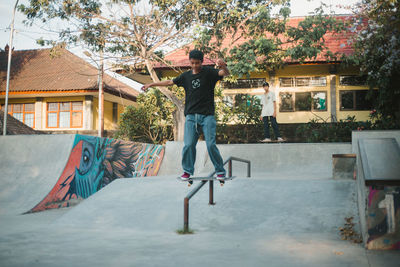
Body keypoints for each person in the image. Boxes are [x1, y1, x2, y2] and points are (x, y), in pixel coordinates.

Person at [141, 50, 230, 180]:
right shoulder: (186, 76)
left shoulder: (209, 73)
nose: (194, 66)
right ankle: (187, 171)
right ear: (190, 61)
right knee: (188, 145)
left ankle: (220, 170)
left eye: (197, 63)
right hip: (191, 117)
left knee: (210, 144)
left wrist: (223, 66)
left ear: (202, 61)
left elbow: (225, 73)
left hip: (207, 116)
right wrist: (152, 84)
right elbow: (170, 82)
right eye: (192, 63)